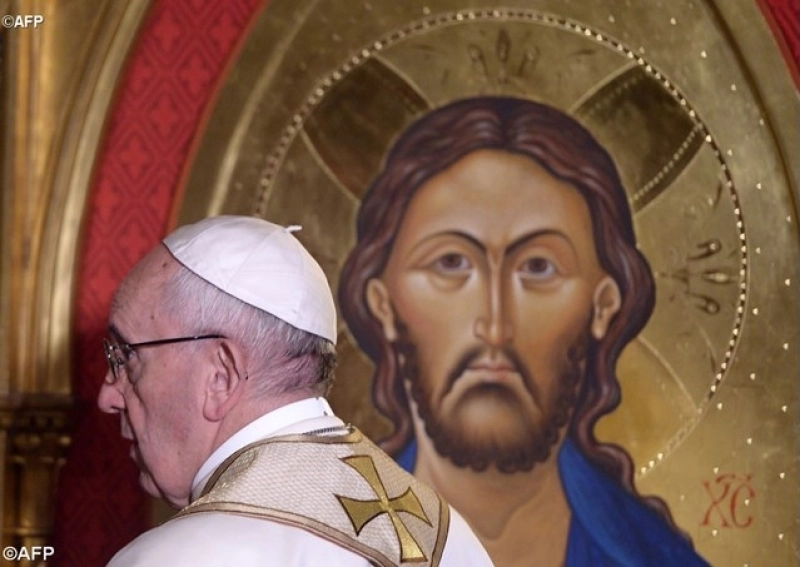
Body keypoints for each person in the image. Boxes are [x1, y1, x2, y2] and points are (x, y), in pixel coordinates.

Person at [338, 97, 710, 566]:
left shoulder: (655, 560)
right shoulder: (317, 550)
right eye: (451, 263)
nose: (494, 326)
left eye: (538, 267)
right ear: (383, 304)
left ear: (602, 306)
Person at [97, 215, 493, 567]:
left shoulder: (175, 558)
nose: (107, 397)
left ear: (221, 375)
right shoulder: (451, 539)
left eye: (126, 357)